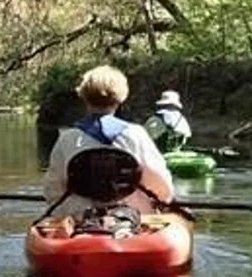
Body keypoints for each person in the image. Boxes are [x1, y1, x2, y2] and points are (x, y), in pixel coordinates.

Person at [43, 65, 175, 218]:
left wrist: (63, 212)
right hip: (131, 215)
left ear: (84, 97)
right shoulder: (135, 134)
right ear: (120, 97)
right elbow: (161, 183)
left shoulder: (67, 138)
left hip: (80, 216)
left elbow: (53, 190)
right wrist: (160, 204)